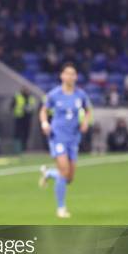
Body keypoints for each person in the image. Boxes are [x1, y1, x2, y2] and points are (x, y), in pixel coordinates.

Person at [38, 62, 92, 218]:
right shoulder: (54, 94)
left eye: (73, 74)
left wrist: (85, 122)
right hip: (58, 136)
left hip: (73, 138)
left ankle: (48, 173)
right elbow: (43, 111)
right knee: (64, 170)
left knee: (69, 177)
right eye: (67, 73)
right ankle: (61, 208)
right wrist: (44, 123)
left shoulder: (80, 94)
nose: (70, 76)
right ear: (62, 76)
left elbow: (87, 111)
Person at [11, 87, 37, 152]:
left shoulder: (31, 97)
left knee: (26, 133)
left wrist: (30, 109)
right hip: (19, 117)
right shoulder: (17, 96)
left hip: (28, 118)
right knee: (18, 133)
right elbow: (12, 106)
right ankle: (17, 149)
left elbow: (33, 107)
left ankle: (24, 148)